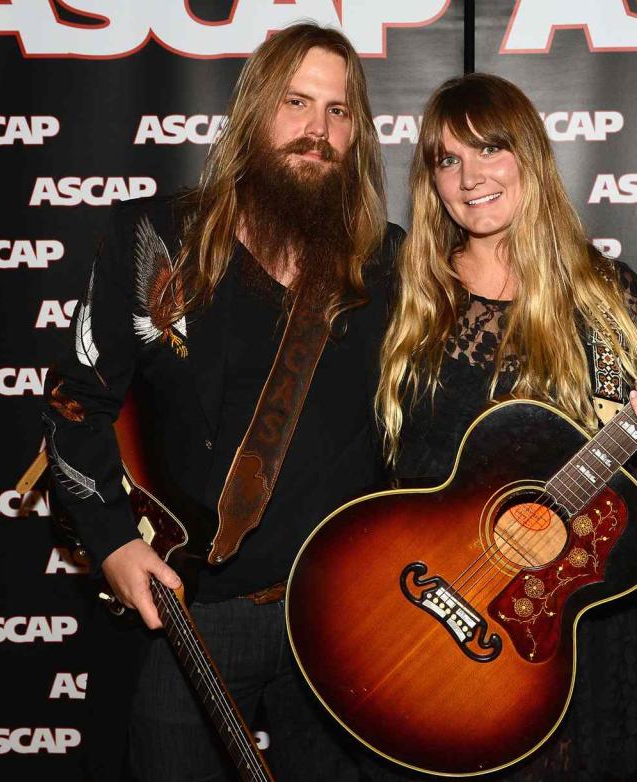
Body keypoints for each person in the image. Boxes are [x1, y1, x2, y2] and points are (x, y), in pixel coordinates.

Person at [42, 22, 402, 781]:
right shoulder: (156, 239)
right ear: (253, 111)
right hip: (192, 616)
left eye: (339, 112)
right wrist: (111, 542)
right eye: (297, 103)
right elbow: (76, 404)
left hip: (339, 619)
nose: (317, 131)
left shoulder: (390, 262)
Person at [373, 73, 637, 781]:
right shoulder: (403, 295)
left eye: (490, 149)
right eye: (447, 159)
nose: (470, 177)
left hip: (577, 631)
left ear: (530, 156)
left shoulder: (608, 296)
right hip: (432, 617)